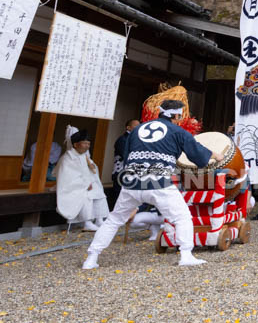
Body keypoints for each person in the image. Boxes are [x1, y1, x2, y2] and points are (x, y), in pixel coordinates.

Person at [83, 99, 218, 269]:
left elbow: (127, 156)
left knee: (114, 220)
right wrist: (215, 155)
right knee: (182, 217)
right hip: (159, 181)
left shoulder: (137, 129)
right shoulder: (178, 131)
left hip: (131, 181)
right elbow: (197, 154)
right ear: (176, 115)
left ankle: (91, 258)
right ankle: (186, 255)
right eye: (181, 115)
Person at [55, 128, 109, 232]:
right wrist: (84, 184)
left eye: (88, 144)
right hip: (72, 187)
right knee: (87, 194)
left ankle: (99, 219)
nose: (87, 146)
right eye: (84, 143)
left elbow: (92, 172)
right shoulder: (68, 157)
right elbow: (68, 176)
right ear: (75, 145)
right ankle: (87, 222)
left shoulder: (84, 156)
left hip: (86, 184)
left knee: (99, 191)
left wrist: (92, 166)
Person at [110, 119, 140, 201]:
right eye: (136, 126)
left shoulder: (135, 139)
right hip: (121, 172)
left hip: (130, 173)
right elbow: (126, 155)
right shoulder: (123, 139)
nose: (138, 128)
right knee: (119, 198)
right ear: (128, 128)